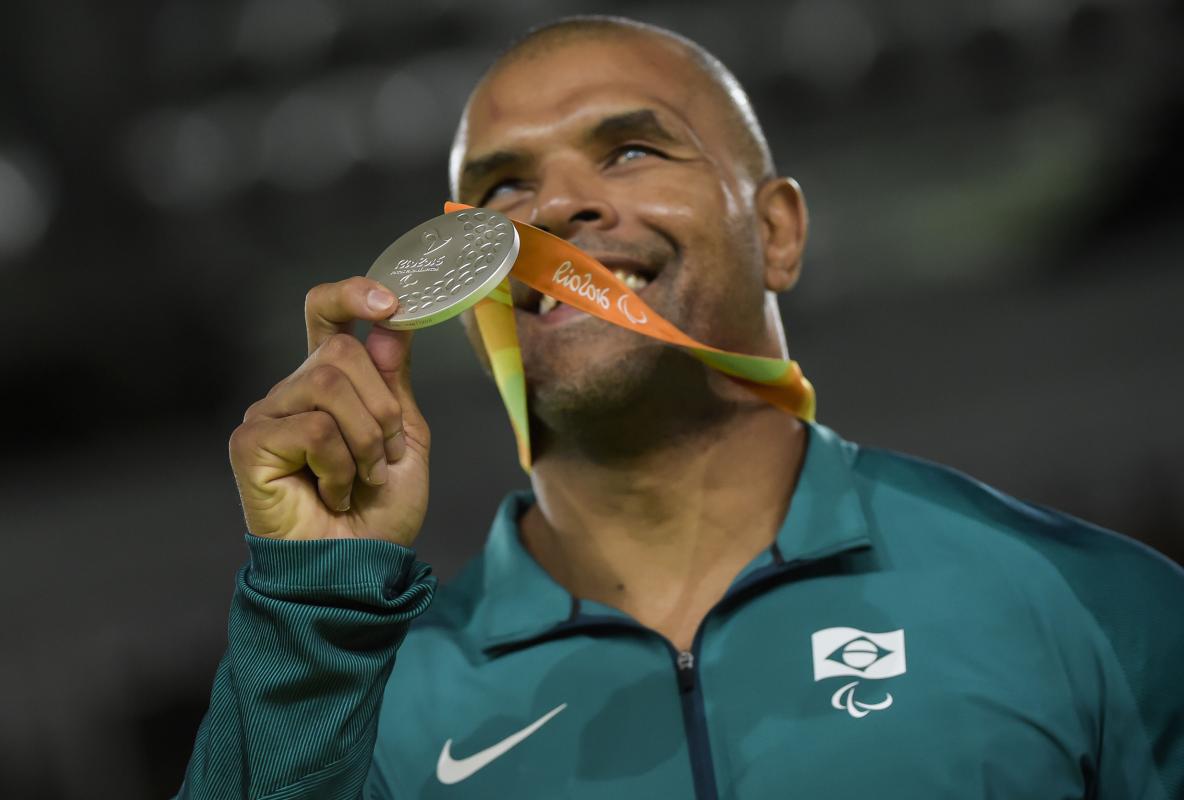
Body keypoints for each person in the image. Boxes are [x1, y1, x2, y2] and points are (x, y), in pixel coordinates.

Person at [177, 15, 1183, 800]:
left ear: (777, 232)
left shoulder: (1087, 608)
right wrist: (313, 597)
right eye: (500, 190)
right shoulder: (366, 707)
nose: (556, 209)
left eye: (630, 152)